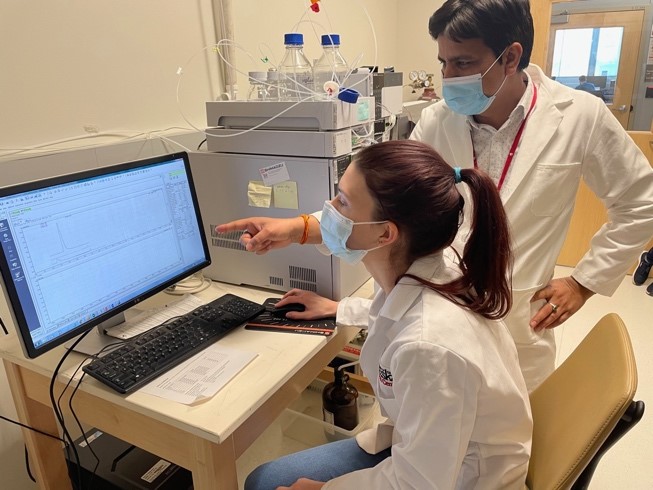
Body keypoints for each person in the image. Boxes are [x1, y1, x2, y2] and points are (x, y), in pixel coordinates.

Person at [218, 0, 653, 391]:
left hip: (519, 323)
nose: (448, 78)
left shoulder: (579, 115)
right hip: (434, 314)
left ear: (511, 57)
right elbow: (382, 212)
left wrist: (584, 281)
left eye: (463, 62)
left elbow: (641, 201)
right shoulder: (436, 121)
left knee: (501, 450)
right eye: (443, 62)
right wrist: (298, 230)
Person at [244, 140, 531, 490]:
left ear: (385, 233)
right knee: (265, 480)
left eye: (343, 203)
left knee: (263, 483)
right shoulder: (430, 263)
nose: (329, 211)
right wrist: (339, 308)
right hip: (434, 449)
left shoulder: (428, 349)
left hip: (462, 479)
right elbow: (399, 312)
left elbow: (418, 485)